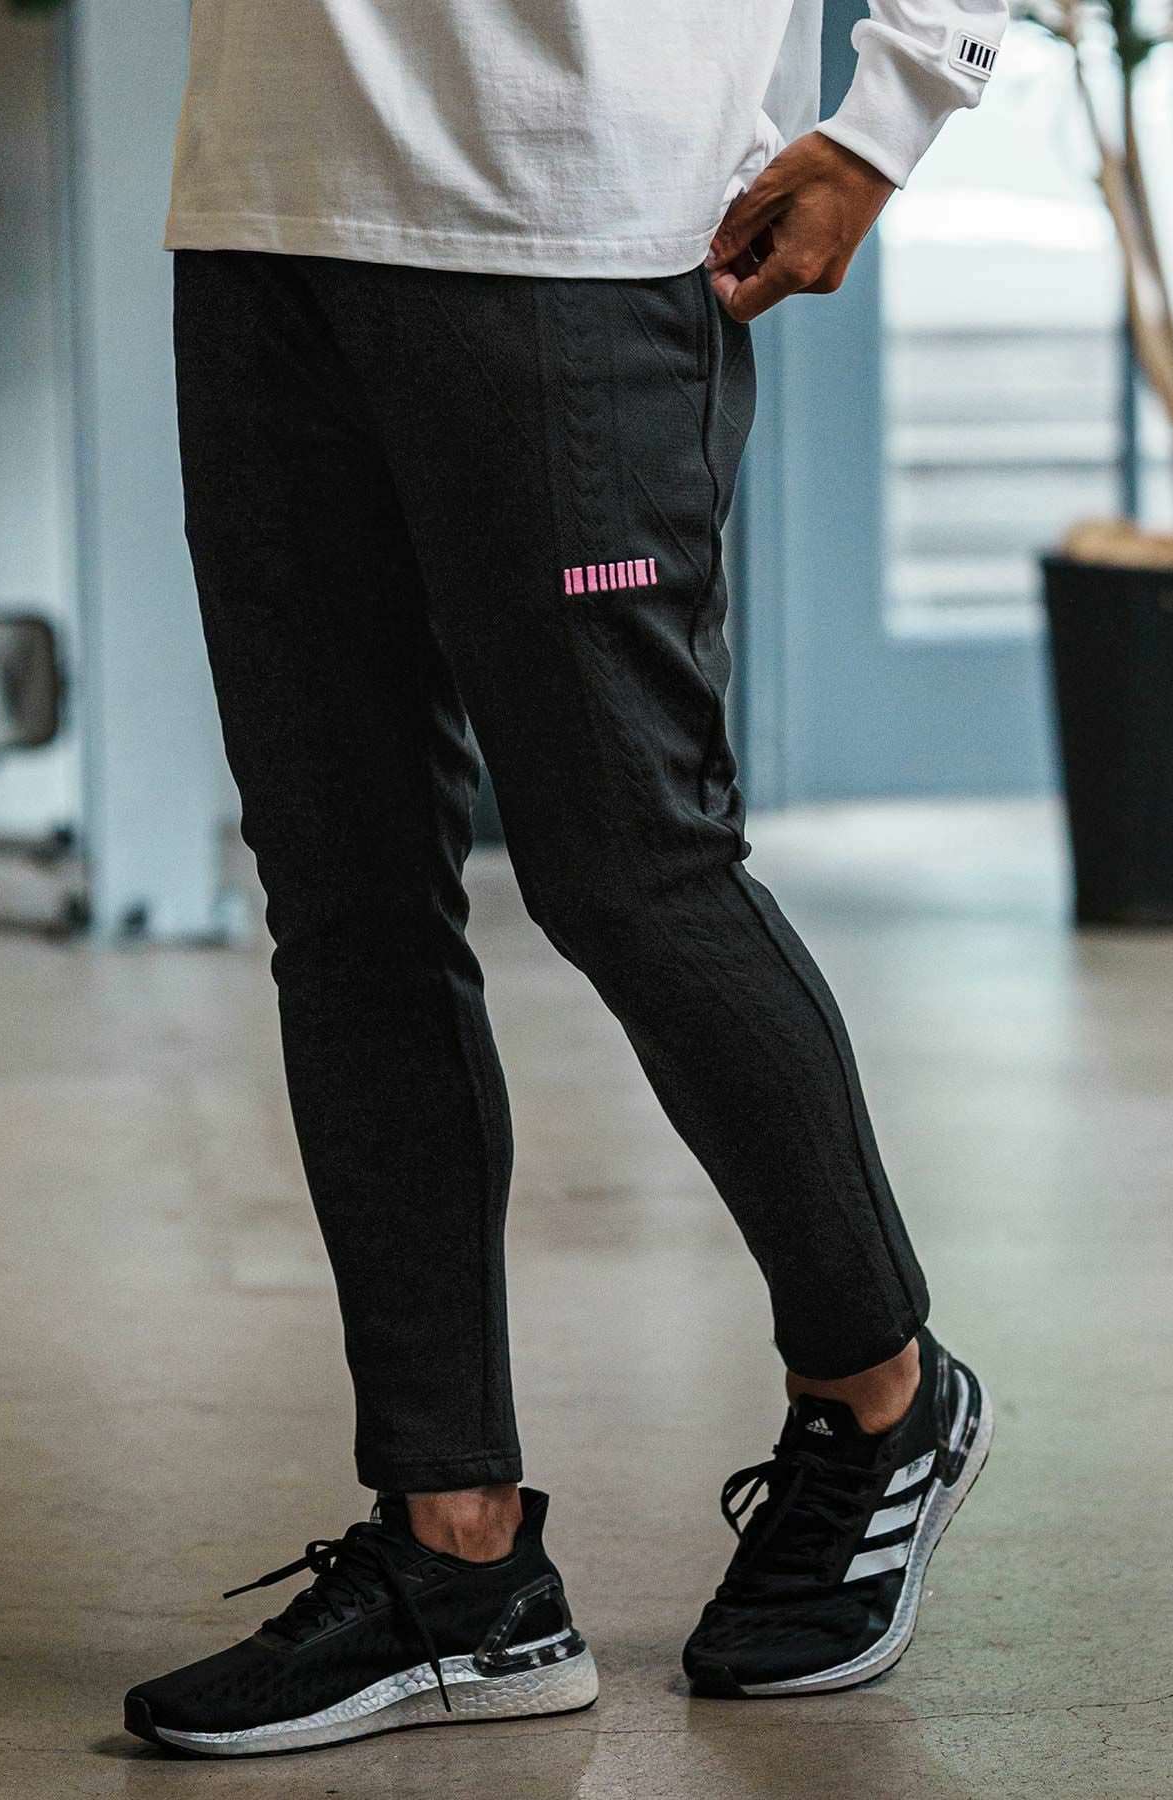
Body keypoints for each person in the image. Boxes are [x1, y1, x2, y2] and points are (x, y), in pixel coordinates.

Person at [124, 0, 1004, 1758]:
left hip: (579, 229)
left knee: (630, 871)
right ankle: (457, 1559)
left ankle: (881, 1391)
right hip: (265, 214)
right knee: (346, 905)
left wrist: (899, 107)